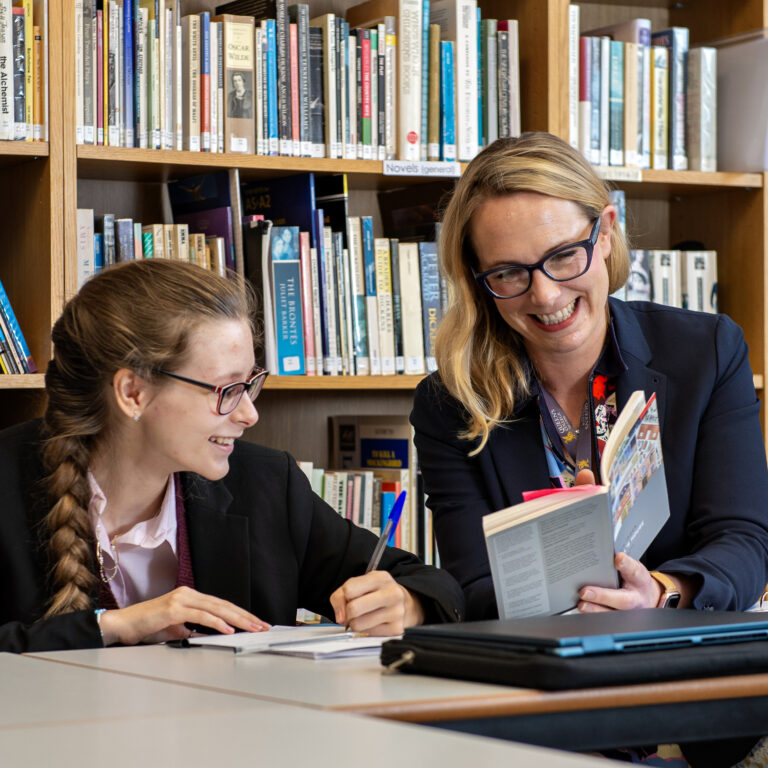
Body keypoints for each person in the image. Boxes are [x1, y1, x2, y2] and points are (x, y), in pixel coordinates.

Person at [0, 259, 464, 653]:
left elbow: (430, 583)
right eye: (225, 390)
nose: (249, 414)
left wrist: (408, 603)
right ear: (133, 391)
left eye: (250, 384)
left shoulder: (265, 484)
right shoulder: (7, 481)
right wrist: (111, 628)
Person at [411, 132, 768, 622]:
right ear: (477, 277)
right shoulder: (449, 401)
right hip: (542, 664)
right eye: (510, 273)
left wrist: (661, 591)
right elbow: (471, 584)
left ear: (605, 233)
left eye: (562, 256)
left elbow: (745, 542)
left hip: (680, 649)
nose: (545, 296)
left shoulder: (705, 353)